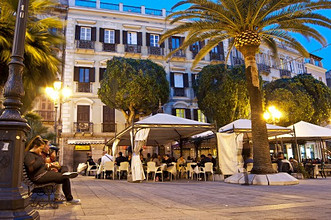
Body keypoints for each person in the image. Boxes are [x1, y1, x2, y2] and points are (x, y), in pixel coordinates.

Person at [24, 136, 80, 204]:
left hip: (43, 173)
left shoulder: (36, 155)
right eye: (40, 148)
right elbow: (31, 168)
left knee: (63, 167)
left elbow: (40, 166)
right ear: (35, 146)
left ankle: (65, 172)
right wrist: (44, 161)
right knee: (65, 178)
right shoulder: (29, 155)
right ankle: (69, 199)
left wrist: (50, 166)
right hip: (39, 177)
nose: (41, 151)